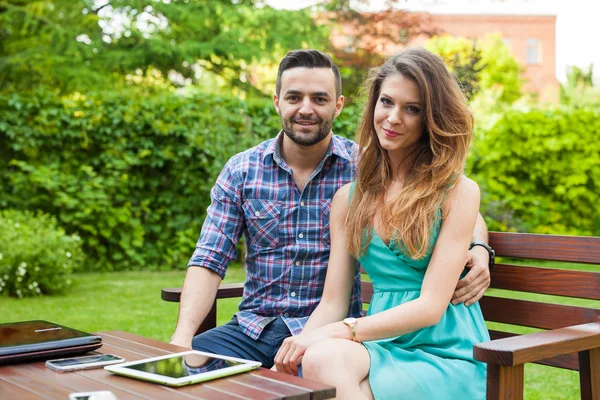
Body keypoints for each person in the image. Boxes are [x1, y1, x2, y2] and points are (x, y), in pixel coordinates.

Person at [169, 49, 492, 371]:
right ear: (276, 101)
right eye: (294, 97)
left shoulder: (367, 166)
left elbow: (445, 199)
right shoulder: (243, 170)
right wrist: (182, 338)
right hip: (253, 328)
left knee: (308, 372)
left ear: (338, 105)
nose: (306, 109)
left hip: (330, 331)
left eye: (320, 99)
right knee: (185, 373)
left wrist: (478, 246)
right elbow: (209, 257)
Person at [273, 48, 490, 399]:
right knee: (318, 358)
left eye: (412, 109)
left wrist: (342, 330)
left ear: (432, 118)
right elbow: (332, 303)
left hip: (446, 350)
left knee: (329, 363)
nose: (393, 118)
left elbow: (431, 306)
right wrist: (298, 344)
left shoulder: (458, 192)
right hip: (380, 342)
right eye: (386, 102)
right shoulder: (349, 199)